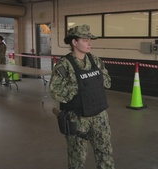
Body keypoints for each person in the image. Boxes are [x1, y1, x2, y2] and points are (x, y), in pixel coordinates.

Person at [49, 25, 115, 169]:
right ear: (74, 42)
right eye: (85, 40)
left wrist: (89, 82)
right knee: (77, 158)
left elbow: (108, 83)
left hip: (100, 115)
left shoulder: (95, 61)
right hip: (77, 117)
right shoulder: (64, 65)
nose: (89, 43)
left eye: (90, 40)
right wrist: (78, 86)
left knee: (105, 153)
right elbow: (55, 91)